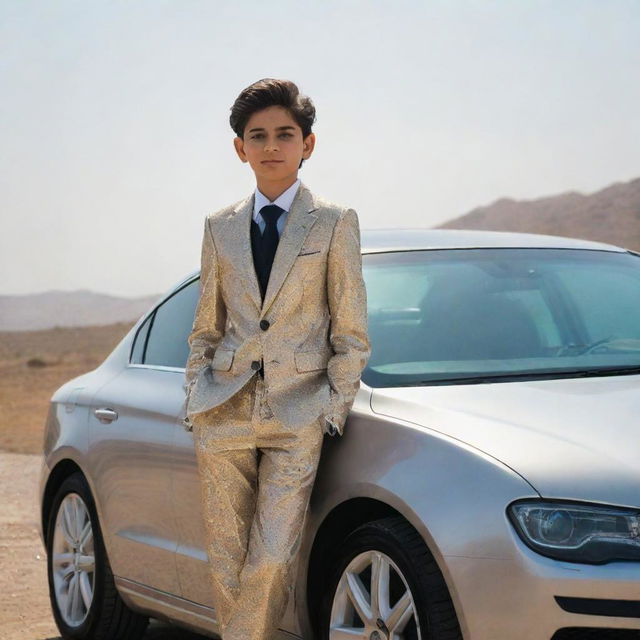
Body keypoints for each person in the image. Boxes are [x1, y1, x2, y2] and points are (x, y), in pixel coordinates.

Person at [182, 78, 370, 640]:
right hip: (223, 409)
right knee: (227, 561)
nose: (271, 146)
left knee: (270, 559)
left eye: (284, 134)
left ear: (307, 144)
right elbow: (205, 327)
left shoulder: (335, 222)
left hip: (298, 412)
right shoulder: (219, 227)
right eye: (257, 135)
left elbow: (352, 329)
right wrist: (196, 395)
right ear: (240, 147)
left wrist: (332, 407)